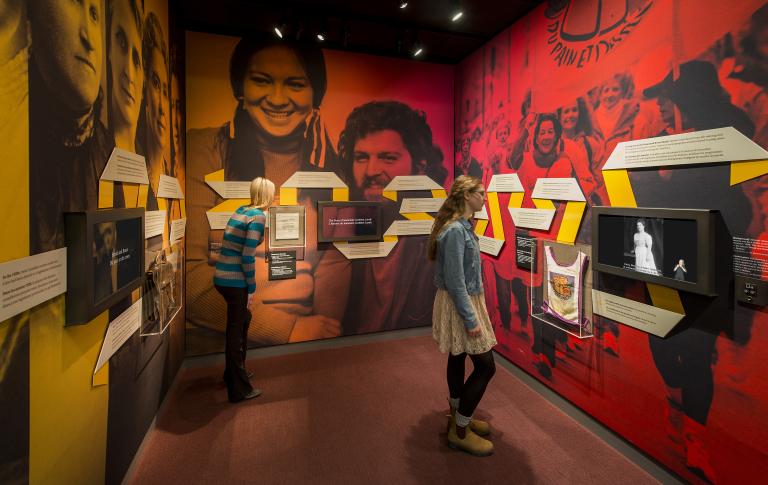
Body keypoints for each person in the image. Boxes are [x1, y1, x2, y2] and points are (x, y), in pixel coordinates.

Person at [186, 37, 348, 353]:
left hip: (304, 343)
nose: (277, 98)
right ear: (240, 88)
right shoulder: (205, 150)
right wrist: (285, 329)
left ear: (315, 94)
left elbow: (333, 264)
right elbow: (190, 281)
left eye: (295, 84)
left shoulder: (329, 168)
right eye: (261, 81)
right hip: (214, 340)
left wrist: (317, 333)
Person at [338, 100, 447, 334]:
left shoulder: (437, 238)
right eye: (361, 157)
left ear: (419, 167)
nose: (371, 171)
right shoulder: (340, 225)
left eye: (388, 157)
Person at [28, 0, 113, 253]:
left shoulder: (106, 148)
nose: (89, 37)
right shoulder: (16, 140)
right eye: (75, 3)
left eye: (95, 14)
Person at [428, 175, 497, 457]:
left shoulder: (462, 226)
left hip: (463, 299)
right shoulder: (456, 230)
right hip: (461, 303)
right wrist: (471, 320)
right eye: (480, 193)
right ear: (467, 196)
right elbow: (456, 281)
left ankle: (457, 417)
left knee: (457, 356)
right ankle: (460, 431)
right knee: (486, 366)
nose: (484, 197)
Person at [214, 177, 274, 403]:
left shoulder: (242, 210)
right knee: (236, 334)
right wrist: (251, 287)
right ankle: (239, 389)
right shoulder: (259, 216)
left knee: (241, 323)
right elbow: (247, 256)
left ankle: (233, 374)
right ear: (267, 195)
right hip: (235, 281)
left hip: (222, 278)